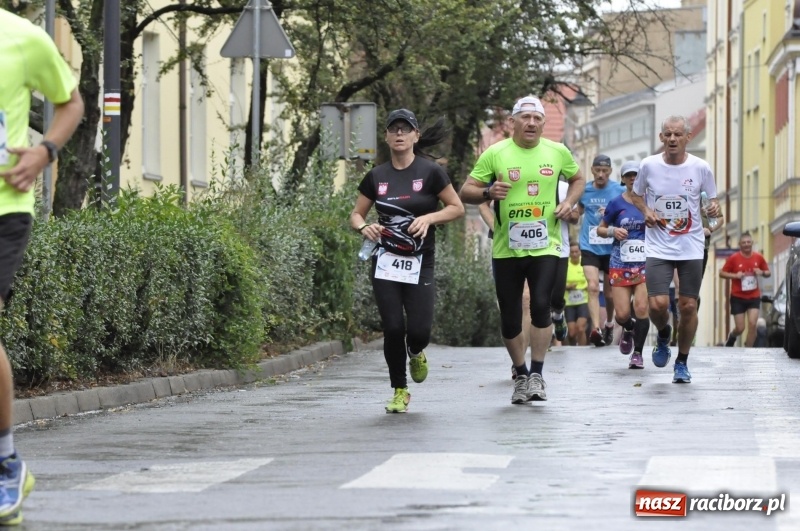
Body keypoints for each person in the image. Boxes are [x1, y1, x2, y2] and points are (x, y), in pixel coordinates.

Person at [0, 9, 84, 525]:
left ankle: (5, 462)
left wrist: (44, 152)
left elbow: (70, 103)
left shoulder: (23, 38)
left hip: (4, 205)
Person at [459, 95, 585, 404]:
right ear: (513, 122)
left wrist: (568, 202)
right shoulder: (496, 153)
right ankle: (521, 372)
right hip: (507, 248)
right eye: (524, 117)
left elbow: (579, 178)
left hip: (546, 245)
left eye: (537, 118)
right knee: (511, 318)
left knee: (540, 305)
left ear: (543, 124)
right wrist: (488, 191)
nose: (531, 123)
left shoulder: (557, 152)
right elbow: (465, 190)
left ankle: (538, 374)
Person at [350, 109, 464, 413]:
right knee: (392, 326)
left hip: (420, 259)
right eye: (393, 129)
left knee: (418, 331)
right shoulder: (377, 176)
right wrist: (364, 226)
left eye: (406, 129)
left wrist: (429, 217)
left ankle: (416, 351)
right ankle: (400, 390)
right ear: (387, 137)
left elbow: (456, 208)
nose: (399, 134)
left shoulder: (430, 173)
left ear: (416, 136)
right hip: (385, 259)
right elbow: (356, 213)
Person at [630, 115, 720, 384]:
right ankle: (663, 332)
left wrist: (714, 211)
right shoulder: (649, 165)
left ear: (687, 138)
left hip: (690, 245)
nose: (672, 139)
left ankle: (681, 362)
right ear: (661, 138)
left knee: (688, 305)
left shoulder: (701, 168)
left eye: (677, 135)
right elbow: (636, 194)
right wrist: (646, 210)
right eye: (667, 134)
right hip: (658, 245)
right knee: (657, 305)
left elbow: (713, 208)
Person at [597, 161, 650, 369]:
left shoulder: (649, 202)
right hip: (620, 261)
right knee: (621, 315)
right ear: (623, 179)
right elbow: (600, 229)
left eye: (636, 175)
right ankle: (628, 328)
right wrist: (613, 231)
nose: (633, 179)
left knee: (642, 306)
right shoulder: (615, 203)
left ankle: (637, 353)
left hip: (645, 262)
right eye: (629, 175)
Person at [578, 154, 625, 347]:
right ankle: (595, 328)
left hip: (611, 245)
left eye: (605, 171)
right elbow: (578, 211)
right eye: (597, 170)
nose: (601, 174)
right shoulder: (584, 190)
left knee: (610, 293)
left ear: (610, 172)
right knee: (592, 286)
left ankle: (609, 323)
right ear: (592, 170)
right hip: (589, 244)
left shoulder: (618, 190)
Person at [719, 232, 770, 347]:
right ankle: (732, 336)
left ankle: (749, 350)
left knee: (752, 324)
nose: (746, 244)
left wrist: (761, 272)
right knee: (740, 328)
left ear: (752, 243)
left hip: (754, 296)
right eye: (744, 242)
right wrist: (735, 276)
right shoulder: (734, 258)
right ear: (740, 244)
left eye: (748, 242)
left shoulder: (758, 257)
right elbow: (721, 273)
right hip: (738, 297)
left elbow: (768, 272)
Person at [564, 242, 589, 346]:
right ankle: (573, 348)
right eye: (572, 252)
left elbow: (591, 280)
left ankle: (582, 351)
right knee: (572, 332)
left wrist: (584, 286)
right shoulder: (565, 264)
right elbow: (558, 281)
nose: (574, 254)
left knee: (581, 328)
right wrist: (567, 286)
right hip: (569, 302)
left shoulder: (585, 263)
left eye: (576, 252)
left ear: (580, 252)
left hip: (583, 301)